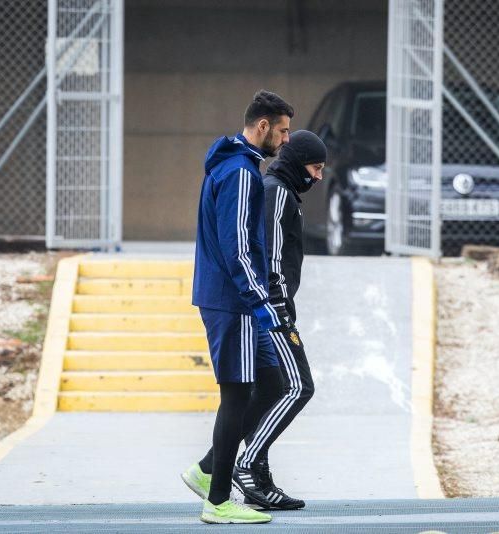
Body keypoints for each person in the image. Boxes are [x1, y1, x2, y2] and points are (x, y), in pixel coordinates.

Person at [182, 90, 294, 525]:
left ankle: (208, 468)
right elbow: (238, 249)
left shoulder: (234, 166)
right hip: (234, 303)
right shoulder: (241, 174)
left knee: (271, 381)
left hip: (234, 301)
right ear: (262, 126)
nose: (286, 140)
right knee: (236, 395)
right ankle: (218, 500)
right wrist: (259, 302)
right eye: (282, 131)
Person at [231, 130, 326, 510]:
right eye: (315, 168)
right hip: (273, 310)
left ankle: (259, 478)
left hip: (273, 308)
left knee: (271, 389)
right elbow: (269, 256)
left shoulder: (284, 191)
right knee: (299, 387)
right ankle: (248, 462)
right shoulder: (278, 192)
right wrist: (279, 307)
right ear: (297, 161)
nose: (318, 176)